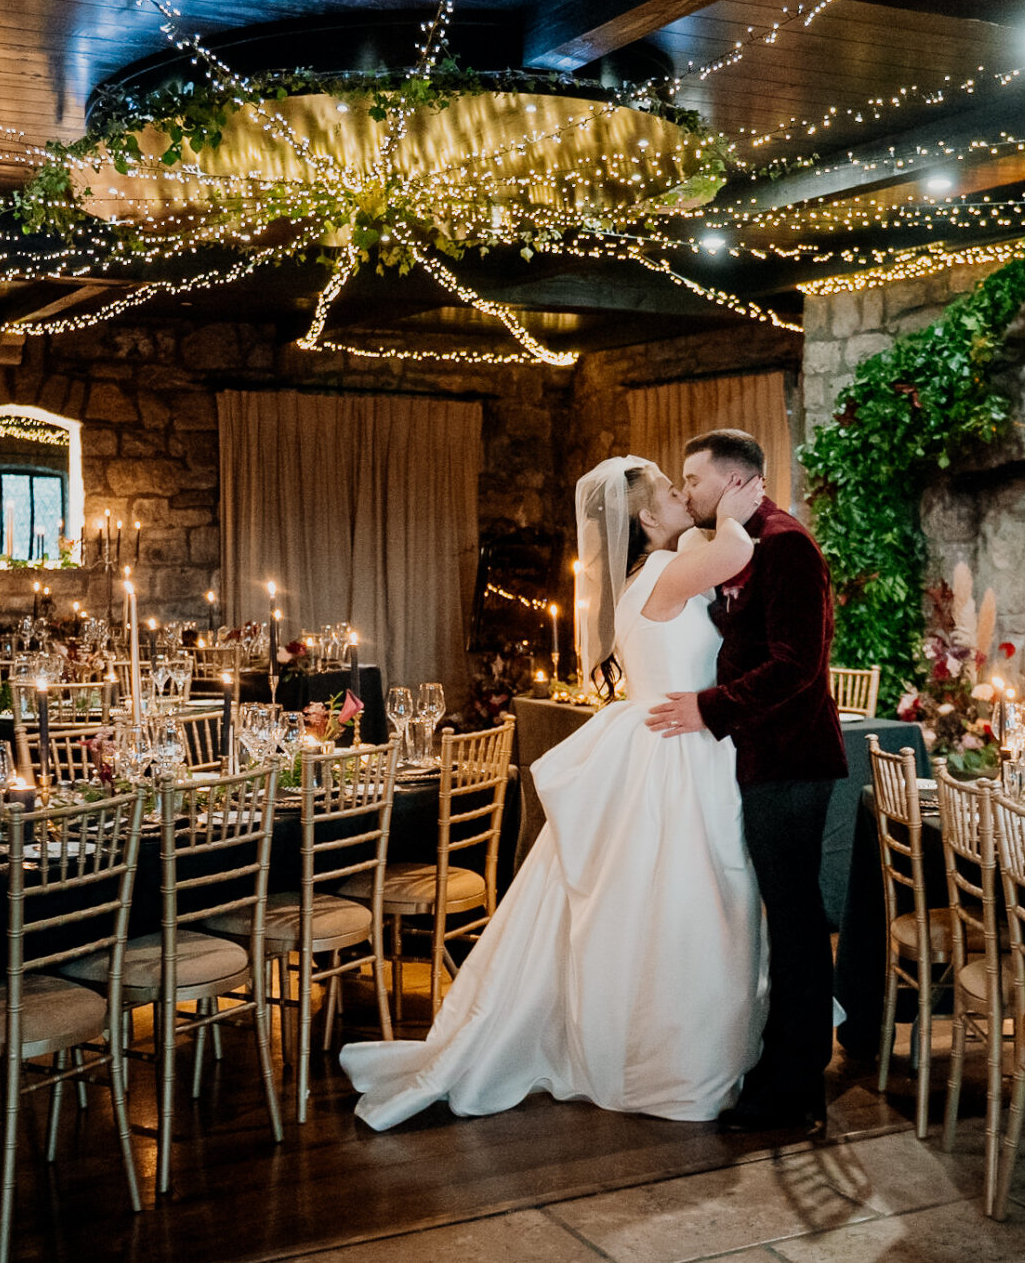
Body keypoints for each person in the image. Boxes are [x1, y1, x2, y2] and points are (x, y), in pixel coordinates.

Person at [339, 456, 770, 1129]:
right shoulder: (669, 568)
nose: (687, 496)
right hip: (673, 752)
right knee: (685, 903)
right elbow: (737, 548)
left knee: (662, 904)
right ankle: (670, 1060)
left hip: (668, 739)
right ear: (648, 519)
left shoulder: (644, 576)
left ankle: (660, 1039)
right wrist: (735, 509)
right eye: (671, 491)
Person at [645, 429, 847, 1134]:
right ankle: (782, 1069)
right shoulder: (741, 540)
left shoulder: (785, 544)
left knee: (795, 924)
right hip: (766, 760)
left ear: (734, 480)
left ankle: (795, 1090)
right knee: (784, 919)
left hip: (793, 762)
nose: (686, 491)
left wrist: (707, 708)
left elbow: (798, 668)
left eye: (693, 479)